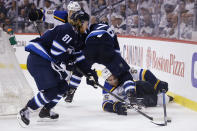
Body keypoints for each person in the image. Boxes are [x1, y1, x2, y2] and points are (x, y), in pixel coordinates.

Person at [17, 10, 98, 127]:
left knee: (63, 87)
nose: (87, 25)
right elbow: (56, 52)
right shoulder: (68, 30)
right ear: (79, 22)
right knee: (51, 91)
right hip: (38, 59)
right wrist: (70, 59)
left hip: (48, 61)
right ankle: (26, 110)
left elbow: (79, 58)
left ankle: (46, 111)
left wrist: (89, 73)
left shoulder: (79, 36)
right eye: (86, 23)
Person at [28, 1, 85, 103]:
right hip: (58, 47)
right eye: (71, 12)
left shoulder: (81, 20)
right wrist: (37, 13)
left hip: (70, 47)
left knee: (72, 71)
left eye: (75, 12)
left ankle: (69, 90)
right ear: (68, 11)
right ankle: (50, 96)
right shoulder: (61, 15)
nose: (72, 14)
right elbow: (45, 13)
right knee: (57, 75)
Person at [83, 22, 137, 104]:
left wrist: (89, 72)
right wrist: (118, 68)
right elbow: (116, 51)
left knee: (90, 68)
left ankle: (92, 79)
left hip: (90, 45)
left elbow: (84, 51)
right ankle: (130, 93)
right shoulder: (109, 28)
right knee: (124, 73)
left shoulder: (89, 30)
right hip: (104, 43)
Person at [101, 68, 173, 115]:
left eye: (114, 78)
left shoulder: (123, 72)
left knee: (147, 86)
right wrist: (116, 107)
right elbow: (105, 104)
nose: (113, 81)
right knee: (164, 99)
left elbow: (145, 73)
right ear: (106, 80)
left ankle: (158, 91)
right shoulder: (107, 89)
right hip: (133, 101)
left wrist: (157, 83)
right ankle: (168, 98)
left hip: (140, 88)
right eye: (110, 80)